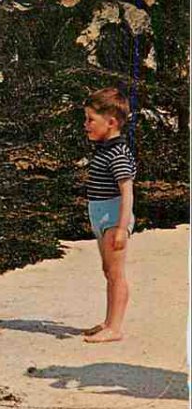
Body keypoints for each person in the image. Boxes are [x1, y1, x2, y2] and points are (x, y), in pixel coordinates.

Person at [82, 87, 136, 344]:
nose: (86, 125)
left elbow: (127, 192)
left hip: (114, 216)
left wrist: (122, 228)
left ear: (112, 122)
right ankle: (108, 321)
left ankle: (115, 327)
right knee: (108, 270)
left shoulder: (118, 153)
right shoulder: (104, 149)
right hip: (101, 214)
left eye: (91, 120)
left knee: (116, 273)